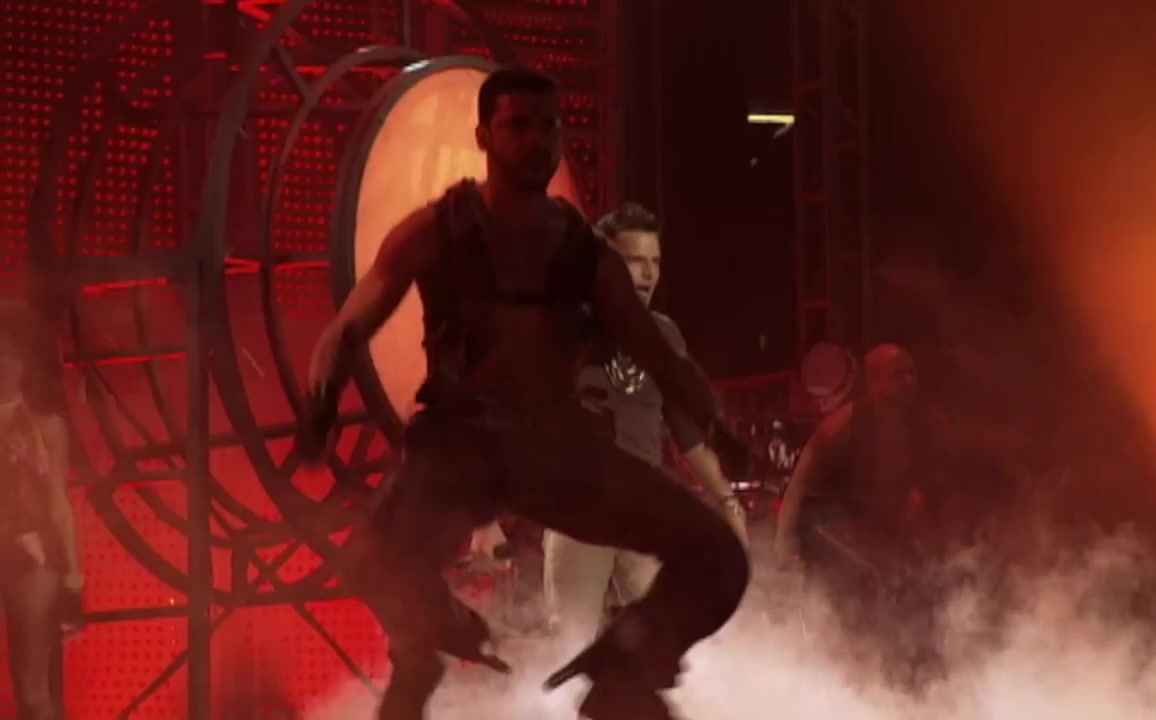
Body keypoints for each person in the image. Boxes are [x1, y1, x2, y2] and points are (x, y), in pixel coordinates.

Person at [303, 66, 749, 720]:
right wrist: (321, 398)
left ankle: (625, 670)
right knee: (372, 560)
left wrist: (718, 426)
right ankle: (425, 645)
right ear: (484, 135)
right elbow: (348, 327)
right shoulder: (436, 231)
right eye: (518, 126)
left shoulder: (583, 255)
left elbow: (660, 357)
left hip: (555, 451)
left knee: (719, 559)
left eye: (548, 126)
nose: (536, 141)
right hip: (460, 452)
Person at [537, 202, 748, 666]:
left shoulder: (664, 335)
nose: (649, 274)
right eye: (636, 261)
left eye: (655, 261)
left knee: (669, 641)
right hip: (580, 509)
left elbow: (686, 430)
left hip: (644, 507)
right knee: (572, 645)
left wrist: (726, 502)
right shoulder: (564, 329)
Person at [774, 343, 953, 690]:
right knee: (860, 619)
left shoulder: (932, 423)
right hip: (850, 540)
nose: (909, 380)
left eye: (912, 372)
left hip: (907, 541)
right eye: (899, 374)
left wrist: (931, 507)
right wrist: (785, 541)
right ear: (875, 379)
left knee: (919, 614)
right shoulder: (842, 427)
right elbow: (800, 485)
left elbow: (949, 479)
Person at [0, 305, 83, 720]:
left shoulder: (46, 426)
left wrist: (73, 578)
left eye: (9, 353)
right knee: (24, 684)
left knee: (32, 685)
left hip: (34, 558)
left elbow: (58, 503)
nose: (3, 363)